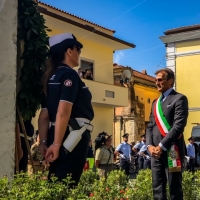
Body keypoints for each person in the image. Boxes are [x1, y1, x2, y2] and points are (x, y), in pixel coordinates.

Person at [38, 33, 94, 187]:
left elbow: (44, 116)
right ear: (69, 51)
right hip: (72, 135)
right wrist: (56, 145)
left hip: (54, 133)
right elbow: (63, 111)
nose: (79, 53)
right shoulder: (69, 75)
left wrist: (44, 142)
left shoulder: (49, 77)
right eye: (78, 49)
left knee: (55, 182)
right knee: (67, 185)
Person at [146, 68, 188, 200]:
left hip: (172, 151)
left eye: (160, 80)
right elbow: (150, 126)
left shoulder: (179, 99)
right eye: (156, 80)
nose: (157, 83)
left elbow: (178, 126)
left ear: (170, 81)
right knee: (157, 189)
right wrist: (149, 146)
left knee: (174, 189)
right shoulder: (155, 103)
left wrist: (161, 146)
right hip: (155, 153)